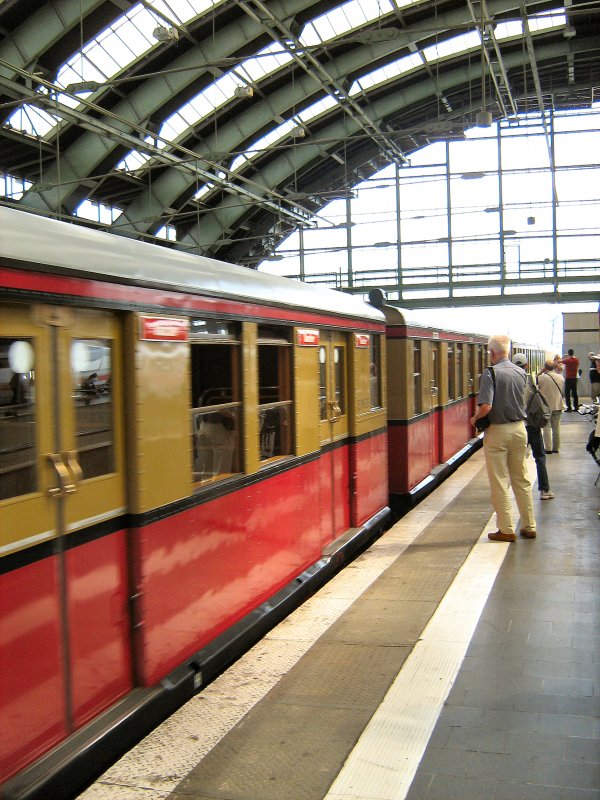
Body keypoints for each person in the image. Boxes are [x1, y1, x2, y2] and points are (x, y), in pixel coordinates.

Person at [470, 334, 537, 542]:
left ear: (491, 352)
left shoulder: (490, 374)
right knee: (521, 479)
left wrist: (475, 419)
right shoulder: (520, 372)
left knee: (499, 481)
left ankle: (506, 529)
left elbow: (486, 406)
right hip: (519, 429)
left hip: (498, 432)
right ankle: (529, 525)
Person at [511, 353, 553, 500]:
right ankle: (544, 490)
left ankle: (518, 491)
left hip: (515, 425)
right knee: (540, 456)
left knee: (515, 459)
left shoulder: (507, 380)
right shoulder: (531, 381)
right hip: (532, 425)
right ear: (527, 365)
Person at [538, 359, 565, 454]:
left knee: (547, 427)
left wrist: (542, 371)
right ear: (554, 367)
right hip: (558, 404)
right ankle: (556, 448)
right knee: (556, 427)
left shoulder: (541, 377)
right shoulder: (560, 377)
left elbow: (537, 384)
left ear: (545, 367)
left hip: (546, 406)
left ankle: (548, 448)